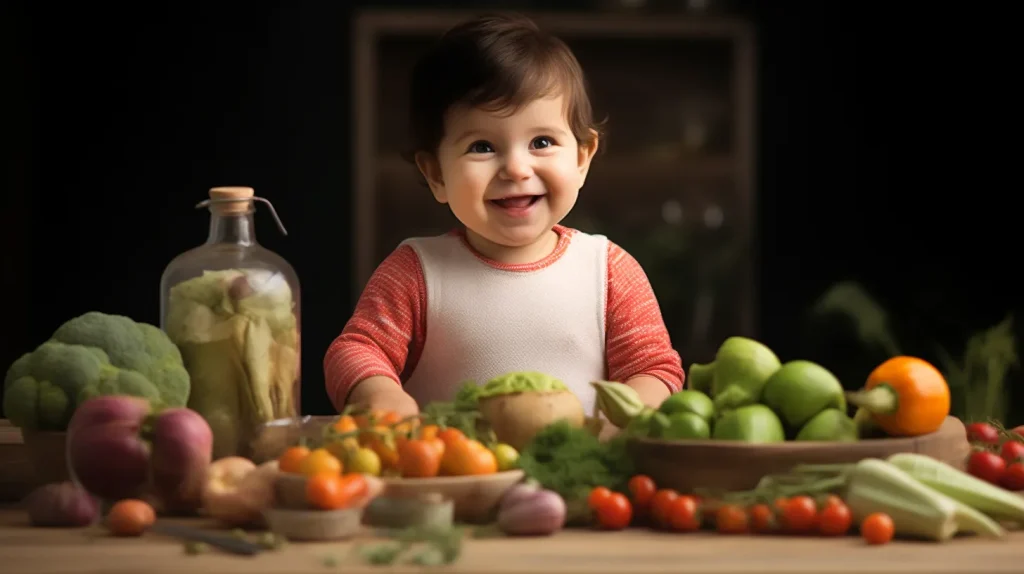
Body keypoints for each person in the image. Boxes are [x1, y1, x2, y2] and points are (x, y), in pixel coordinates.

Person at [324, 13, 684, 421]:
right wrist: (377, 394)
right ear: (436, 174)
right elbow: (354, 351)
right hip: (456, 477)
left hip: (579, 475)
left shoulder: (609, 271)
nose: (516, 169)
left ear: (582, 158)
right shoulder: (415, 273)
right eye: (481, 147)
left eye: (542, 142)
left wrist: (631, 417)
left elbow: (654, 368)